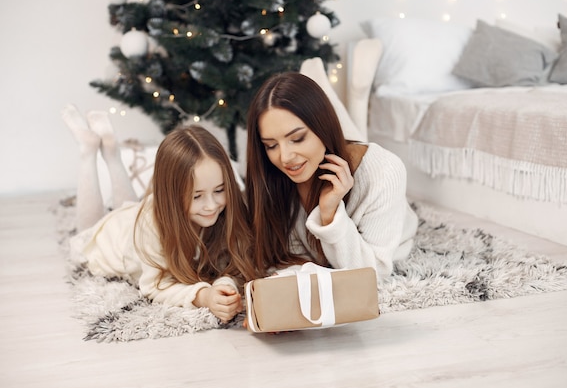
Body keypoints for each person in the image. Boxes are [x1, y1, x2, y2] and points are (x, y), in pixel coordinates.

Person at [62, 105, 257, 322]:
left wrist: (224, 286)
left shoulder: (227, 210)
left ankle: (111, 152)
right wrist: (203, 296)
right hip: (115, 241)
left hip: (134, 219)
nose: (211, 205)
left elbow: (233, 264)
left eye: (219, 190)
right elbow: (154, 287)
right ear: (171, 196)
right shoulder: (150, 227)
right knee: (85, 236)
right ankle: (88, 151)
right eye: (197, 196)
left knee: (128, 206)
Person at [245, 72, 418, 278]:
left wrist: (330, 213)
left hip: (385, 241)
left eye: (297, 138)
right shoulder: (275, 176)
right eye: (271, 145)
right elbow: (286, 258)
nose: (285, 157)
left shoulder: (384, 171)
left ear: (322, 127)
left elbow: (371, 274)